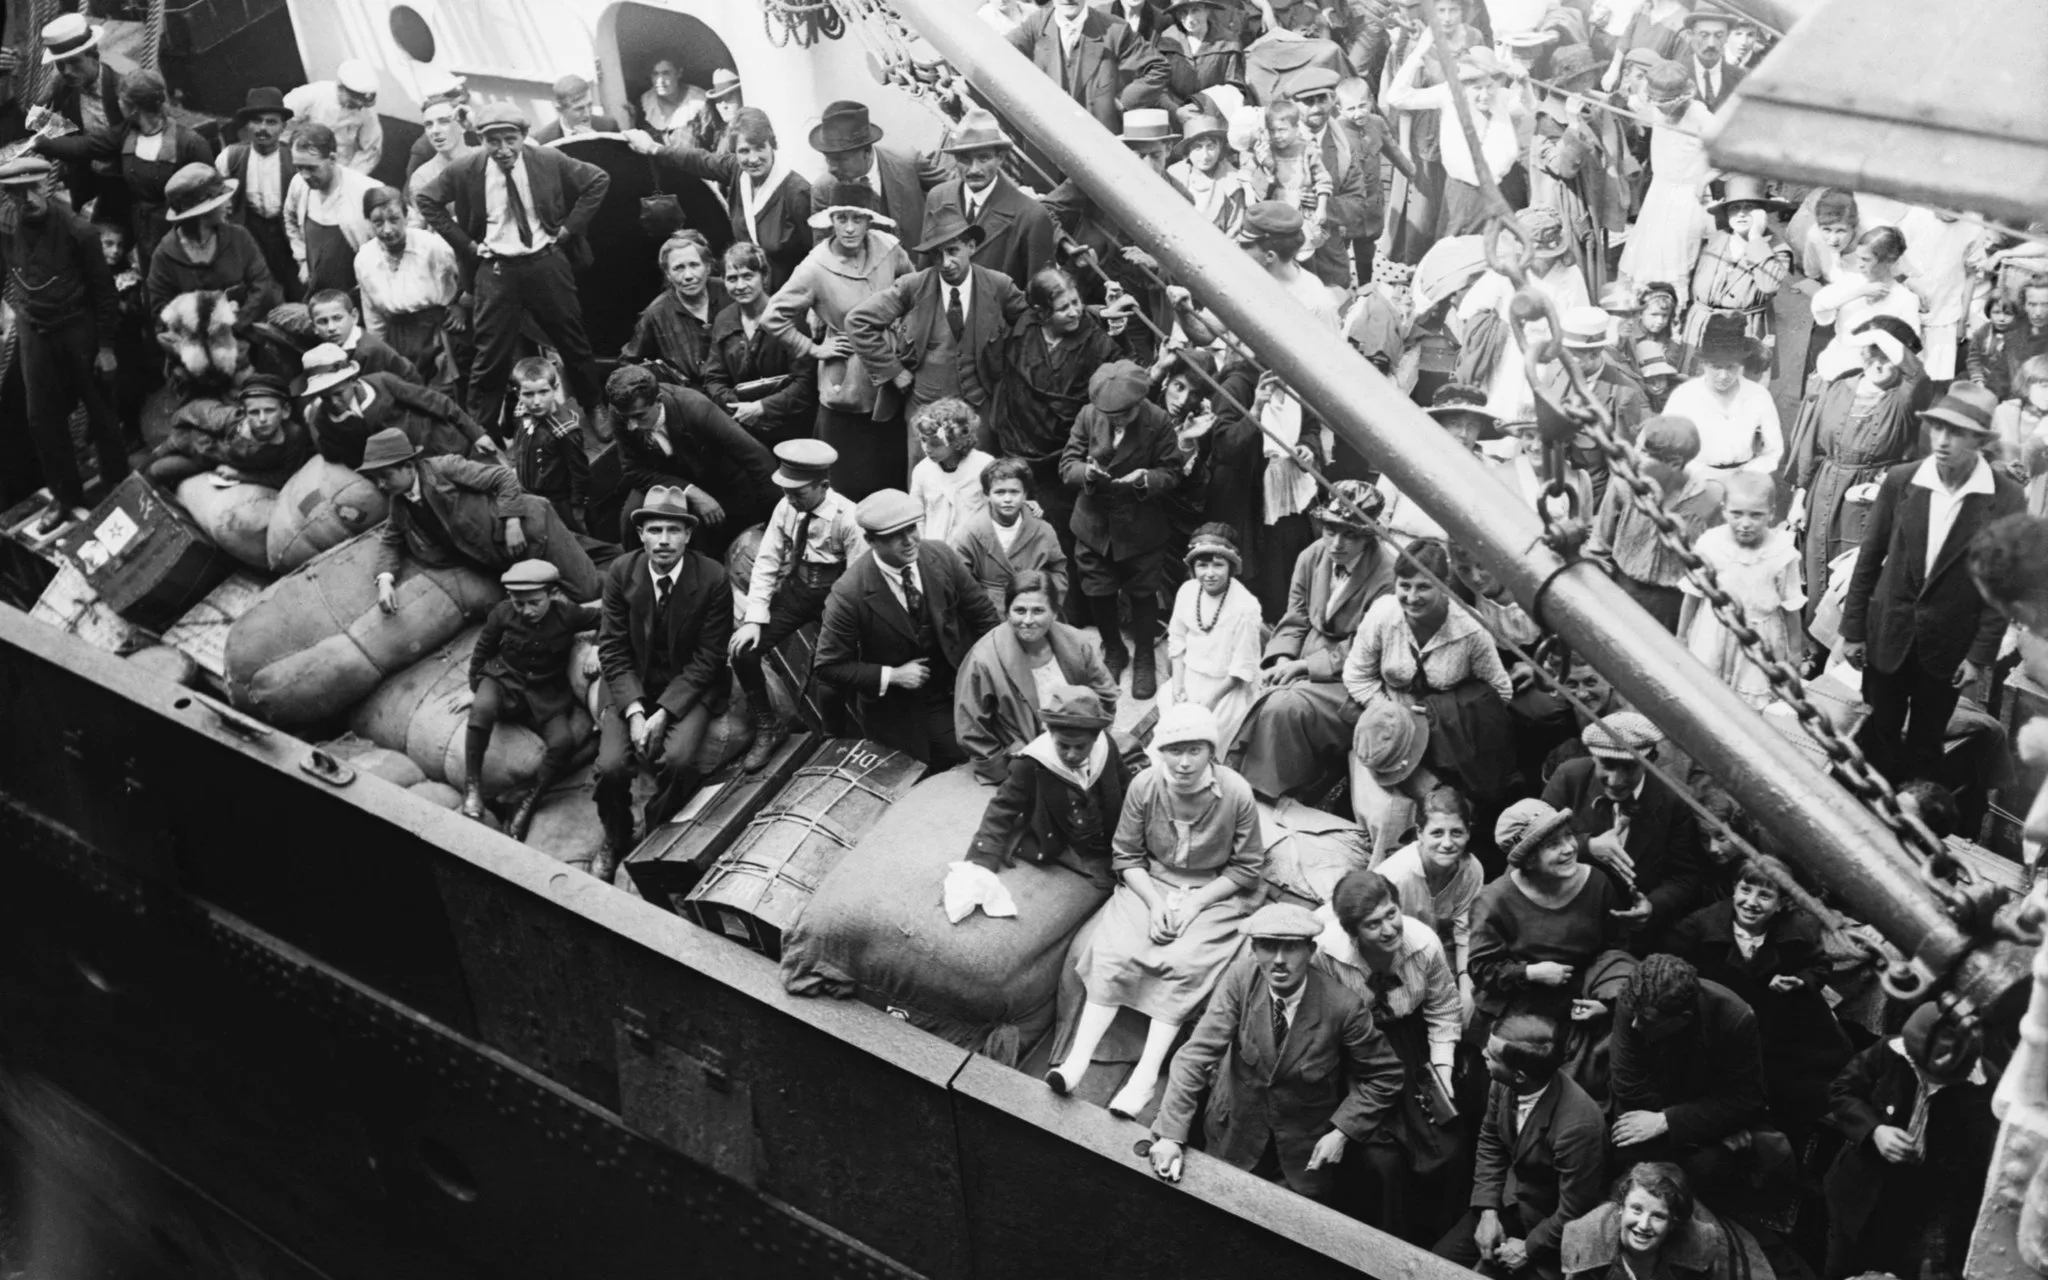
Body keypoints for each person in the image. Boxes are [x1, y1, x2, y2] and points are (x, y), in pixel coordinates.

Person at [1053, 702, 1265, 1117]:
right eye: (1174, 750)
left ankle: (1145, 1077)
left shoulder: (1237, 792)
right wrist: (1153, 905)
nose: (1184, 762)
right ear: (1160, 751)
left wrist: (1194, 906)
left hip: (1212, 890)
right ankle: (1077, 1059)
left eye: (1195, 751)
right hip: (1150, 883)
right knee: (1115, 950)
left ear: (1211, 752)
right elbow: (1127, 855)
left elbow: (1247, 866)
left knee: (1185, 962)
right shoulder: (1145, 786)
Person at [1148, 901, 1405, 1200]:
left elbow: (1386, 1076)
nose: (1279, 960)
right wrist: (1170, 1136)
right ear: (1254, 951)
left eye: (1291, 948)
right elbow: (1195, 1057)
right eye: (1269, 947)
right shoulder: (1240, 980)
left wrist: (1342, 1132)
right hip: (1232, 1137)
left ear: (1311, 952)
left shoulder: (1344, 1007)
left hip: (1301, 1160)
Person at [1841, 383, 2026, 783]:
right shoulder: (1902, 480)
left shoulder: (2005, 497)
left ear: (1979, 441)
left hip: (1947, 647)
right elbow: (1868, 560)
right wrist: (1853, 630)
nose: (1942, 441)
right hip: (1889, 634)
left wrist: (1979, 656)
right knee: (1878, 731)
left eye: (1957, 432)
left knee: (1926, 743)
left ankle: (1913, 819)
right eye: (1938, 428)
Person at [415, 103, 611, 435]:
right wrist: (466, 244)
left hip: (545, 263)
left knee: (573, 341)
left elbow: (597, 180)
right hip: (495, 271)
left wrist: (568, 229)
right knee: (490, 356)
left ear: (523, 137)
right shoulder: (466, 169)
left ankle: (595, 406)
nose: (503, 150)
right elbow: (426, 199)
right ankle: (483, 432)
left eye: (510, 139)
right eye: (493, 141)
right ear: (481, 139)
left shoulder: (547, 160)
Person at [1312, 869, 1463, 1237]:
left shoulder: (1424, 944)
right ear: (1352, 932)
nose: (1389, 929)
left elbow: (1443, 1009)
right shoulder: (1326, 952)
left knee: (1445, 1148)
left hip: (1410, 1045)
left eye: (1391, 913)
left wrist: (1441, 1074)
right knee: (1380, 1159)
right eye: (1373, 924)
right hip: (1352, 1050)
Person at [593, 486, 733, 880]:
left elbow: (709, 658)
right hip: (631, 682)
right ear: (641, 535)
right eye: (655, 530)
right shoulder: (622, 572)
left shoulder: (712, 578)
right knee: (610, 768)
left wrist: (665, 713)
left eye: (674, 530)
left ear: (688, 535)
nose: (664, 540)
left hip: (690, 685)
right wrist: (636, 711)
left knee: (677, 761)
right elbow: (613, 649)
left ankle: (656, 835)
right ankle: (616, 835)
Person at [1344, 539, 1517, 857]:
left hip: (1449, 738)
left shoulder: (1469, 630)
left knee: (1446, 806)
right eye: (1404, 585)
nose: (1411, 596)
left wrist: (1444, 711)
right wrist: (1392, 716)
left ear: (1444, 584)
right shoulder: (1384, 614)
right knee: (1387, 811)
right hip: (1390, 733)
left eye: (1423, 587)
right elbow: (1356, 674)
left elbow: (1500, 691)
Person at [1231, 482, 1397, 800]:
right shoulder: (1312, 555)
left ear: (1369, 536)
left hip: (1352, 675)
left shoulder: (1387, 578)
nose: (1336, 543)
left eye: (1350, 534)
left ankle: (1269, 790)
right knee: (1253, 684)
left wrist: (1305, 666)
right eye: (1330, 530)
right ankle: (1245, 775)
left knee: (1283, 706)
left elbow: (1369, 648)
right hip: (1304, 654)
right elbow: (1295, 616)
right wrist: (1282, 660)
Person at [1667, 854, 1851, 1138]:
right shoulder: (1698, 927)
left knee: (1797, 1096)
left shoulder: (1798, 930)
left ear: (1781, 904)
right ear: (1734, 889)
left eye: (1765, 895)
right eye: (1745, 890)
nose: (1751, 902)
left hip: (1781, 1030)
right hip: (1720, 1029)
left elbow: (1819, 965)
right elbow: (1670, 966)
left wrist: (1800, 982)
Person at [815, 488, 1003, 765]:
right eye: (894, 535)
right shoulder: (849, 593)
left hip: (960, 686)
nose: (909, 541)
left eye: (912, 528)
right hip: (901, 710)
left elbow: (984, 617)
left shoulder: (941, 556)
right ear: (870, 540)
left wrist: (993, 674)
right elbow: (828, 667)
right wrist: (891, 675)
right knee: (948, 762)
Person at [760, 183, 916, 500]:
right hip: (847, 381)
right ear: (830, 220)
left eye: (857, 219)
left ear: (869, 220)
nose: (848, 227)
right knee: (848, 480)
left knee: (892, 473)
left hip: (892, 375)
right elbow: (772, 316)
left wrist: (903, 330)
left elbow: (915, 292)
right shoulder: (815, 267)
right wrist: (815, 348)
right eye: (841, 218)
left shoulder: (889, 248)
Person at [1822, 1002, 1997, 1280]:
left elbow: (1976, 1169)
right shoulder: (1889, 1050)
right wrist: (1874, 1130)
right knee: (1838, 1269)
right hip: (1857, 1195)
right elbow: (1842, 1091)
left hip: (1918, 1212)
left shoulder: (1987, 1088)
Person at [0, 157, 127, 533]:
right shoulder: (8, 228)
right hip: (34, 329)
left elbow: (104, 294)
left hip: (78, 329)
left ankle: (119, 482)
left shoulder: (80, 231)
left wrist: (105, 347)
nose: (26, 199)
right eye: (14, 193)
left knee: (101, 410)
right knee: (42, 418)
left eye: (32, 189)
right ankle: (64, 494)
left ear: (47, 186)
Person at [845, 208, 1030, 460]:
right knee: (925, 481)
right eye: (937, 255)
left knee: (977, 480)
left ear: (971, 247)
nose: (946, 263)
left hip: (978, 408)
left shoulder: (999, 286)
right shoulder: (913, 286)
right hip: (925, 409)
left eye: (953, 251)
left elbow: (1029, 328)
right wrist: (893, 370)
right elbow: (858, 321)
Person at [1434, 1013, 1608, 1279]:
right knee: (1431, 1267)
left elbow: (1575, 1211)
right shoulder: (1501, 1083)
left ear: (1520, 1076)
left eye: (1491, 1055)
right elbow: (1491, 1141)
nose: (1482, 1054)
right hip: (1505, 1202)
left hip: (1550, 1231)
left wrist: (1529, 1248)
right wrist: (1488, 1212)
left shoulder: (1580, 1126)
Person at [730, 440, 863, 770]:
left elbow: (861, 581)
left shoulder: (849, 517)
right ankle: (769, 726)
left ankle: (833, 740)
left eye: (798, 493)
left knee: (828, 677)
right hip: (798, 590)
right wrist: (753, 619)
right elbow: (767, 560)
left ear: (824, 486)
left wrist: (840, 628)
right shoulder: (786, 507)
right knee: (743, 652)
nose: (790, 499)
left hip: (839, 598)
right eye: (786, 491)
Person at [356, 427, 601, 604]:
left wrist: (512, 521)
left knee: (587, 591)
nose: (380, 484)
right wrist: (385, 580)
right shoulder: (399, 502)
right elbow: (391, 540)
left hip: (533, 528)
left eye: (385, 476)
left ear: (408, 467)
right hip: (505, 557)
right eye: (376, 478)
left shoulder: (443, 468)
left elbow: (504, 477)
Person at [1788, 322, 1931, 621]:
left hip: (1871, 491)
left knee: (1857, 570)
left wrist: (1877, 333)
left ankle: (1845, 651)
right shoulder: (1839, 387)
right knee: (1816, 565)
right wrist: (1798, 500)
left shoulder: (1905, 396)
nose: (1877, 363)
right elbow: (1811, 448)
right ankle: (1812, 650)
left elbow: (1917, 374)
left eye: (1886, 355)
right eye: (1871, 353)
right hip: (1824, 487)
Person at [1060, 359, 1183, 701]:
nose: (1116, 421)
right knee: (1097, 591)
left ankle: (1144, 652)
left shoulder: (1157, 421)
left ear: (1138, 404)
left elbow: (1172, 471)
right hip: (1094, 527)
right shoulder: (1088, 416)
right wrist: (1085, 472)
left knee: (1143, 593)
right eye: (1110, 416)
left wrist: (1146, 479)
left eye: (1123, 415)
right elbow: (1067, 462)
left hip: (1140, 528)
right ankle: (1114, 648)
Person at [986, 266, 1131, 547]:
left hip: (1062, 460)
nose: (1075, 312)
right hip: (1017, 450)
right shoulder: (1024, 326)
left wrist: (1109, 320)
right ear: (1041, 312)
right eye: (1064, 308)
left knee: (1056, 535)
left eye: (1076, 302)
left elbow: (1123, 375)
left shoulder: (1096, 342)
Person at [1467, 798, 1631, 1038]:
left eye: (1569, 835)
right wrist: (1531, 973)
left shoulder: (1597, 883)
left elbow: (1615, 951)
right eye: (1554, 844)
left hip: (1581, 1004)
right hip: (1519, 1011)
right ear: (1529, 859)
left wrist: (1606, 1001)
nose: (1569, 848)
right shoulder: (1494, 901)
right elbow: (1481, 970)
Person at [1605, 954, 1769, 1188]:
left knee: (1709, 1169)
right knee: (1624, 1155)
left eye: (1648, 1021)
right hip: (1646, 1109)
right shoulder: (1634, 1000)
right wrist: (1711, 1120)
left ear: (1683, 1019)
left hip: (1690, 1119)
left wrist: (1667, 1120)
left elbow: (1744, 1098)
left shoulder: (1735, 1020)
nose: (1635, 1026)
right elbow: (1627, 1083)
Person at [464, 560, 600, 836]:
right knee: (481, 709)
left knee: (563, 743)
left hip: (545, 693)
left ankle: (531, 799)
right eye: (518, 603)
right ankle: (473, 785)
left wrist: (598, 648)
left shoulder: (568, 615)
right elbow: (483, 649)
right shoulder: (503, 613)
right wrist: (476, 685)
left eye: (533, 602)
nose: (525, 611)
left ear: (553, 594)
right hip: (503, 679)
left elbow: (610, 616)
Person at [1543, 711, 1703, 942]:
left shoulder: (1674, 801)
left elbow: (1686, 877)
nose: (1616, 781)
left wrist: (1652, 905)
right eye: (1607, 765)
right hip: (1562, 919)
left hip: (1634, 938)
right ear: (1593, 756)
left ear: (1652, 759)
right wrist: (1587, 846)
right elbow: (1531, 843)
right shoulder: (1570, 777)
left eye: (1629, 768)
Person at [36, 68, 214, 269]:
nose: (117, 103)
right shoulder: (127, 133)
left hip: (179, 235)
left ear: (134, 108)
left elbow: (211, 201)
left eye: (121, 100)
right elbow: (83, 146)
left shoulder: (190, 144)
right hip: (144, 232)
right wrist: (39, 142)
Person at [955, 570, 1120, 784]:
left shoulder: (1075, 642)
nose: (1028, 620)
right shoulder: (984, 659)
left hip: (1077, 745)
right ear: (1007, 613)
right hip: (1025, 756)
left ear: (1054, 613)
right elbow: (970, 727)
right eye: (1020, 610)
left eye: (1038, 611)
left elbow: (1105, 692)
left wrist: (1091, 738)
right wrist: (1008, 769)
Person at [626, 107, 814, 291]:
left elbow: (817, 253)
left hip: (792, 295)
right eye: (744, 151)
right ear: (735, 152)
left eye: (759, 148)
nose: (753, 158)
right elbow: (699, 160)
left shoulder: (797, 192)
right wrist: (653, 148)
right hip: (749, 291)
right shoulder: (737, 171)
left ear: (772, 145)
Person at [605, 363, 778, 562]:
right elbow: (632, 470)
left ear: (659, 401)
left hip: (717, 476)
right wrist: (691, 492)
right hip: (662, 476)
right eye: (626, 418)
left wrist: (778, 521)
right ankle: (636, 573)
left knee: (713, 536)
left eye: (639, 416)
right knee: (631, 518)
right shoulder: (622, 410)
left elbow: (757, 458)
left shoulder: (696, 408)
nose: (632, 426)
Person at [1584, 415, 1725, 631]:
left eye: (1642, 452)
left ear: (1674, 463)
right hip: (1622, 589)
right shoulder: (1624, 485)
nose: (1633, 456)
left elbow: (1715, 566)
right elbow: (1599, 545)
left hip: (1673, 604)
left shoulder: (1708, 500)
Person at [1677, 472, 1805, 709]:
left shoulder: (1781, 552)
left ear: (1771, 513)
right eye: (1736, 514)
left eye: (1756, 515)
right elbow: (1692, 594)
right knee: (1707, 696)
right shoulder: (1710, 544)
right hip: (1713, 632)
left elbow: (1792, 606)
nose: (1745, 523)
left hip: (1760, 637)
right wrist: (1682, 635)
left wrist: (1795, 651)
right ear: (1724, 510)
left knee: (1751, 703)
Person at [1383, 44, 1522, 240]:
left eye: (1489, 85)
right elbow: (1396, 97)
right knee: (1455, 245)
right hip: (1464, 192)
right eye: (1476, 87)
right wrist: (1416, 56)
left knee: (1494, 246)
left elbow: (1526, 107)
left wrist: (1524, 84)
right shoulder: (1448, 94)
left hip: (1499, 189)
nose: (1485, 94)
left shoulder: (1501, 97)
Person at [1558, 1162, 1775, 1280]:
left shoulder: (1697, 1248)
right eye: (1636, 1209)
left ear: (1673, 1222)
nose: (1643, 1225)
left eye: (1658, 1216)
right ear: (1620, 1208)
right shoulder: (1587, 1244)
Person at [1373, 785, 1485, 1012]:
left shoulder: (1471, 870)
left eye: (1456, 832)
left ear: (1468, 833)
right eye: (1437, 833)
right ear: (1419, 833)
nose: (1447, 843)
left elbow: (1464, 934)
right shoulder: (1398, 876)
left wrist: (1465, 990)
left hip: (1436, 951)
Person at [702, 242, 820, 450]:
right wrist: (739, 408)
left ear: (764, 277)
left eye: (748, 276)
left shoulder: (789, 318)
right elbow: (713, 378)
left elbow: (805, 383)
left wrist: (761, 408)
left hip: (789, 429)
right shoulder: (724, 319)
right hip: (742, 426)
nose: (740, 286)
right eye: (732, 278)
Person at [922, 110, 1057, 289]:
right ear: (955, 160)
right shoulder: (937, 198)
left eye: (983, 158)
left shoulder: (1032, 216)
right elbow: (925, 274)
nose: (974, 169)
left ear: (1000, 158)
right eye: (965, 160)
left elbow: (1040, 296)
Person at [300, 344, 494, 469]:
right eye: (324, 397)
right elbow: (341, 458)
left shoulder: (382, 383)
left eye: (338, 393)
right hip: (409, 472)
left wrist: (476, 433)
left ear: (352, 380)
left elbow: (437, 402)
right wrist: (346, 427)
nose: (334, 402)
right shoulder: (324, 419)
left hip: (444, 445)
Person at [1614, 62, 1713, 304]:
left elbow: (1730, 150)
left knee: (1675, 258)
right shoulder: (1654, 106)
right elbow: (1627, 103)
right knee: (1646, 255)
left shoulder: (1699, 114)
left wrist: (1706, 179)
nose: (1663, 109)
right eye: (1659, 104)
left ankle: (1674, 311)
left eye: (1668, 104)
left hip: (1686, 196)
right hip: (1659, 192)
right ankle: (1642, 311)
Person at [1678, 178, 1792, 375]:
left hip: (1744, 330)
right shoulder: (1716, 239)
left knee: (1736, 388)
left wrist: (1756, 238)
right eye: (1734, 207)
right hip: (1702, 326)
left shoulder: (1776, 248)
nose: (1740, 213)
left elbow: (1769, 285)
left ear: (1762, 212)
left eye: (1749, 207)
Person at [1006, 0, 1169, 134]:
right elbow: (996, 51)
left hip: (1099, 143)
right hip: (1048, 140)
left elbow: (1159, 67)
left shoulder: (1114, 29)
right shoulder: (1036, 24)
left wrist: (1122, 102)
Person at [804, 101, 947, 253]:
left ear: (866, 151)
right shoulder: (823, 190)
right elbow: (823, 251)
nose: (831, 167)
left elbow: (954, 193)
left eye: (840, 159)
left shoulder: (908, 163)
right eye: (827, 158)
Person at [355, 185, 463, 382]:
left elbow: (461, 275)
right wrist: (382, 352)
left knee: (444, 391)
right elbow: (373, 313)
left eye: (394, 219)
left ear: (406, 216)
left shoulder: (431, 246)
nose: (387, 229)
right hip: (399, 337)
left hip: (438, 332)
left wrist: (459, 304)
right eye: (378, 222)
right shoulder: (365, 259)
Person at [1168, 524, 1263, 749]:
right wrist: (1177, 685)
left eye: (1218, 565)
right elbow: (1177, 639)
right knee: (1174, 727)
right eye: (1202, 565)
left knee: (1204, 736)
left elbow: (1243, 667)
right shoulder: (1187, 591)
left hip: (1227, 687)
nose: (1209, 574)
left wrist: (1211, 700)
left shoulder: (1245, 606)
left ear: (1231, 567)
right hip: (1190, 677)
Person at [145, 164, 284, 317]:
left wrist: (236, 321)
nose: (229, 206)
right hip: (194, 338)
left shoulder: (239, 237)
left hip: (247, 330)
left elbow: (262, 284)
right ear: (202, 211)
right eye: (221, 201)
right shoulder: (165, 255)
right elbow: (161, 310)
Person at [1660, 315, 1783, 479]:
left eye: (1731, 366)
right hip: (1695, 479)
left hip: (1744, 482)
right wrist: (1701, 472)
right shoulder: (1684, 396)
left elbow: (1773, 451)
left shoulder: (1758, 396)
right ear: (1704, 364)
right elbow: (1667, 447)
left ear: (1741, 364)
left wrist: (1745, 473)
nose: (1723, 375)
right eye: (1716, 367)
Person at [950, 457, 1071, 616]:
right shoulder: (970, 533)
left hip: (1033, 609)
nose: (1007, 499)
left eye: (1014, 492)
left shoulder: (1042, 530)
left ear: (1025, 494)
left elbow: (1058, 570)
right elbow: (961, 582)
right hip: (988, 611)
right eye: (999, 492)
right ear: (987, 495)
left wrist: (1048, 603)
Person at [34, 13, 126, 213]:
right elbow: (37, 122)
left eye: (74, 62)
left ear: (93, 55)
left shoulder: (123, 87)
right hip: (84, 183)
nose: (66, 70)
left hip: (123, 184)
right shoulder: (62, 85)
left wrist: (46, 143)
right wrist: (41, 105)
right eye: (60, 64)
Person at [1808, 225, 1921, 383]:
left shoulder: (1905, 299)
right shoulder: (1852, 281)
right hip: (1834, 364)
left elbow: (1908, 349)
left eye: (1866, 260)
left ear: (1888, 261)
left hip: (1869, 377)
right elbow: (1819, 305)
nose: (1859, 264)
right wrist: (1858, 292)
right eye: (1858, 257)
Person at [217, 87, 300, 298]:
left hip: (287, 236)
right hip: (250, 233)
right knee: (253, 292)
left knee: (296, 289)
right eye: (256, 121)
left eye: (271, 122)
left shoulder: (295, 160)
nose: (263, 128)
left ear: (283, 127)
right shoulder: (231, 156)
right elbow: (217, 202)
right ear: (247, 124)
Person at [283, 123, 377, 297]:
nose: (304, 175)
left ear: (333, 159)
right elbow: (289, 218)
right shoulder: (298, 184)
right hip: (317, 292)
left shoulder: (366, 192)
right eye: (298, 167)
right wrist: (302, 259)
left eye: (312, 168)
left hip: (359, 295)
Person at [623, 230, 725, 387]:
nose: (688, 275)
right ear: (668, 275)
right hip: (688, 401)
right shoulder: (656, 315)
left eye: (694, 265)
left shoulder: (729, 293)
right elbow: (628, 366)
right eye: (678, 268)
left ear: (708, 267)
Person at [507, 357, 591, 533]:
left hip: (558, 501)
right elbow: (516, 440)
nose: (536, 402)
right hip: (528, 492)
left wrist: (577, 506)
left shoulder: (565, 431)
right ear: (518, 394)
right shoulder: (522, 412)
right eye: (528, 394)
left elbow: (580, 472)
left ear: (555, 389)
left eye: (543, 392)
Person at [908, 399, 994, 543]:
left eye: (935, 443)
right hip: (935, 550)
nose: (927, 448)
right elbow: (916, 515)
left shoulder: (984, 465)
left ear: (957, 441)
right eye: (923, 440)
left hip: (973, 548)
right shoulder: (922, 470)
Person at [284, 60, 383, 174]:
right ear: (340, 87)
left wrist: (349, 178)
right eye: (352, 102)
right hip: (302, 164)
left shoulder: (367, 112)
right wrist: (288, 160)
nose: (359, 107)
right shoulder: (311, 94)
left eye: (361, 105)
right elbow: (281, 123)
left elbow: (371, 150)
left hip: (341, 168)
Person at [1167, 113, 1254, 239]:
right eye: (1198, 148)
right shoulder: (1174, 174)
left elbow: (1235, 231)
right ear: (1188, 151)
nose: (1206, 155)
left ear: (1220, 148)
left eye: (1211, 147)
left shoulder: (1233, 183)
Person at [307, 288, 418, 384]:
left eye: (337, 318)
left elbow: (374, 393)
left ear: (354, 317)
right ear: (314, 328)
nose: (331, 328)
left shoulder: (367, 351)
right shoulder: (332, 345)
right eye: (322, 321)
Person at [1678, 10, 1746, 112]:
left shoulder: (1741, 78)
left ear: (1727, 37)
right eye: (1704, 35)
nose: (1711, 44)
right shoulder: (1675, 72)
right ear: (1690, 35)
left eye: (1719, 36)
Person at [532, 75, 621, 144]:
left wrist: (598, 144)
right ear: (560, 109)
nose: (587, 114)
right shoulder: (542, 141)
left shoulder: (608, 126)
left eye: (590, 105)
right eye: (579, 109)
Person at [638, 59, 703, 136]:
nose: (660, 80)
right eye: (655, 74)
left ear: (678, 73)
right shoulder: (646, 101)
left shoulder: (698, 101)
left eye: (666, 73)